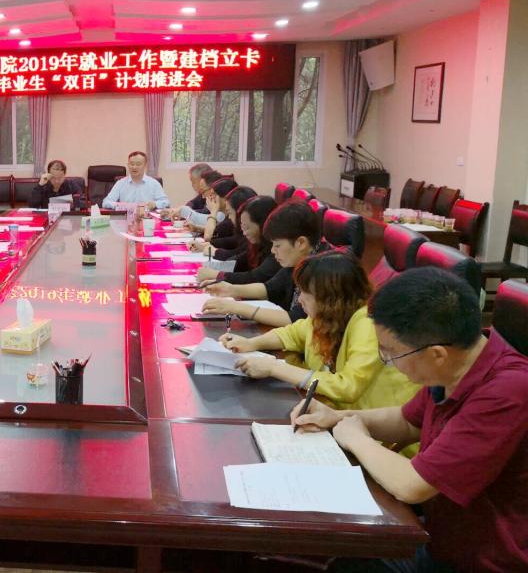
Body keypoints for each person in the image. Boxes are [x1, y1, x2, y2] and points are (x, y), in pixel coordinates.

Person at [293, 268, 528, 572]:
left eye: (391, 354)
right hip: (439, 537)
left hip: (481, 562)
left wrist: (356, 437)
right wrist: (336, 416)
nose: (388, 362)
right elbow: (406, 421)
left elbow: (412, 485)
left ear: (437, 354)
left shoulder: (507, 391)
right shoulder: (456, 364)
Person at [220, 251, 420, 414]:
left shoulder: (368, 324)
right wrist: (252, 343)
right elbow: (292, 334)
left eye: (306, 294)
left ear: (331, 300)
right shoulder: (327, 317)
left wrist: (274, 368)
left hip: (380, 434)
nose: (300, 300)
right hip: (338, 415)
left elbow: (347, 386)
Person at [202, 199, 330, 327]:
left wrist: (236, 307)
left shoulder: (322, 270)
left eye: (277, 245)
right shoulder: (300, 257)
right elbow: (270, 288)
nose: (273, 250)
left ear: (301, 243)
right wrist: (230, 289)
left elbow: (295, 319)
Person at [197, 195, 280, 286]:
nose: (244, 233)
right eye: (243, 227)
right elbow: (238, 261)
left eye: (247, 227)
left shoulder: (276, 252)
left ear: (263, 225)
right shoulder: (257, 244)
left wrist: (218, 275)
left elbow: (255, 277)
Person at [101, 151, 170, 210]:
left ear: (145, 165)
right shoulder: (120, 183)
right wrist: (120, 205)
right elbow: (106, 202)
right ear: (128, 165)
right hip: (126, 218)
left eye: (138, 164)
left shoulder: (154, 183)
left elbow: (166, 202)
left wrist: (155, 204)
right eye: (132, 164)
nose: (134, 167)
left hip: (147, 218)